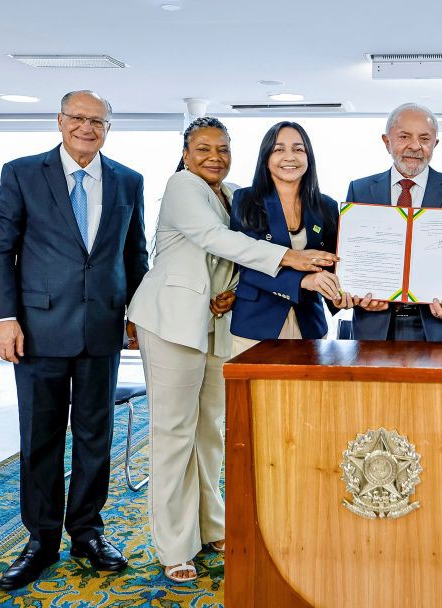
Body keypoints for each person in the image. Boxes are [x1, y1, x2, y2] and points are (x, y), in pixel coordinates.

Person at [126, 118, 337, 582]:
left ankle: (209, 524)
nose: (213, 157)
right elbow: (215, 239)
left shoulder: (233, 193)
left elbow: (240, 254)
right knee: (174, 432)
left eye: (222, 148)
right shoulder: (182, 185)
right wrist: (291, 259)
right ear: (185, 154)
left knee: (209, 431)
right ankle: (174, 543)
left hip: (215, 323)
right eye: (203, 149)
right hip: (171, 319)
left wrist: (235, 288)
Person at [0, 90, 148, 590]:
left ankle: (87, 532)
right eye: (77, 118)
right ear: (59, 121)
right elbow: (0, 250)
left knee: (95, 437)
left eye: (97, 120)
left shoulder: (127, 180)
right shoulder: (21, 172)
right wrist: (4, 317)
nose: (87, 127)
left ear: (108, 127)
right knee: (40, 439)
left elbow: (134, 253)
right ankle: (40, 540)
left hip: (102, 329)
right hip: (38, 329)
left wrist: (137, 316)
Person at [345, 103, 442, 342]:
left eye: (425, 138)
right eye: (404, 136)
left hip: (441, 326)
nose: (415, 146)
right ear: (387, 142)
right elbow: (352, 255)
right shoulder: (360, 189)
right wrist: (352, 293)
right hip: (375, 325)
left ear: (435, 144)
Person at [229, 121, 348, 350]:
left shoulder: (326, 206)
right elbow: (247, 265)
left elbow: (335, 263)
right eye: (278, 149)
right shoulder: (245, 200)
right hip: (256, 324)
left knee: (310, 388)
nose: (289, 157)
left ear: (308, 157)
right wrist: (304, 280)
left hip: (309, 324)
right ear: (266, 157)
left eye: (298, 149)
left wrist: (340, 295)